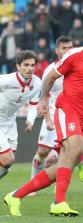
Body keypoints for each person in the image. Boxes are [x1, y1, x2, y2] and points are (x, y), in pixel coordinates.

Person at [4, 22, 83, 217]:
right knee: (75, 148)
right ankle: (58, 203)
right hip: (67, 108)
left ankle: (16, 196)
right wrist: (43, 99)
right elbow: (50, 76)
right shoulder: (77, 54)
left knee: (63, 165)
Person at [30, 36, 73, 187]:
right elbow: (44, 96)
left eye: (70, 48)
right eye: (64, 48)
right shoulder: (50, 70)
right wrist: (47, 119)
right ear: (56, 51)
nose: (68, 51)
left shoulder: (76, 68)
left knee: (64, 154)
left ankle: (59, 189)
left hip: (69, 117)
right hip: (53, 115)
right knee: (41, 153)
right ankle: (33, 185)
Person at [0, 50, 41, 180]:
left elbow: (34, 104)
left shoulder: (37, 83)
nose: (30, 69)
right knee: (7, 159)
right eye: (26, 65)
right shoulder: (6, 80)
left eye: (32, 65)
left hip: (11, 122)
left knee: (7, 165)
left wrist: (30, 121)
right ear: (18, 66)